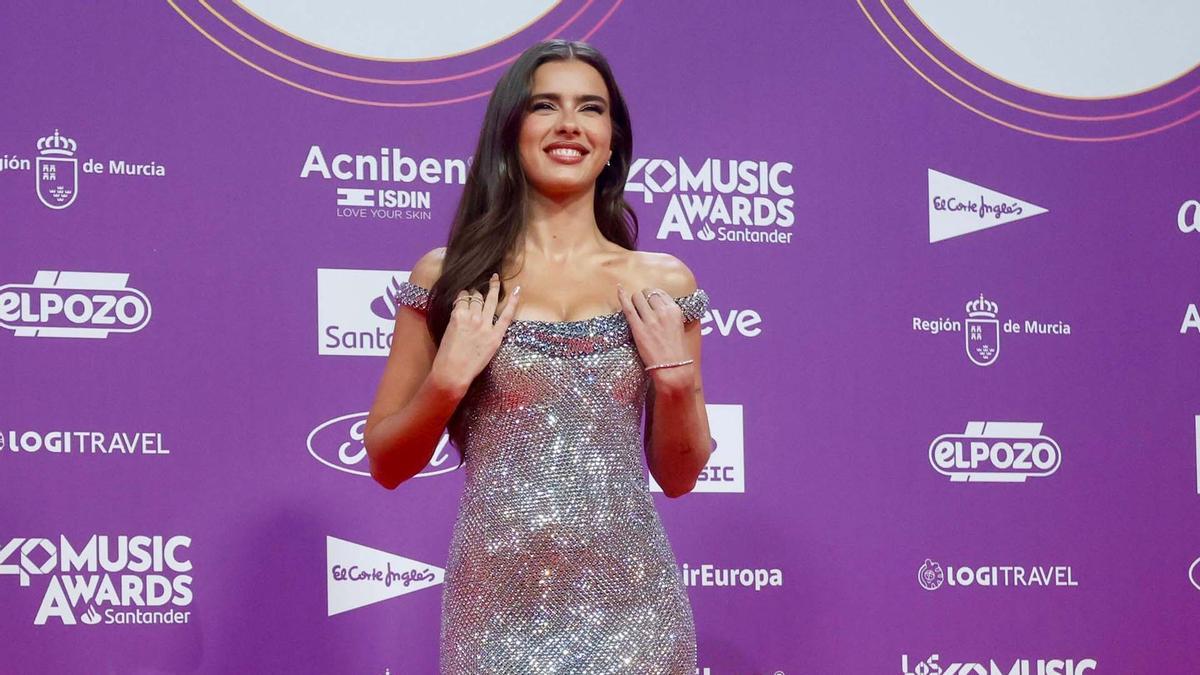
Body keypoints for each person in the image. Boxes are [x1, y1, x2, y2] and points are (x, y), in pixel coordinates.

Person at [364, 39, 712, 674]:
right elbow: (387, 462)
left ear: (612, 142)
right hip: (495, 613)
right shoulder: (450, 278)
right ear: (511, 130)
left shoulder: (664, 282)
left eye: (592, 109)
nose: (570, 125)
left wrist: (676, 384)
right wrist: (446, 382)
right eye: (545, 105)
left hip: (635, 612)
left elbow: (680, 478)